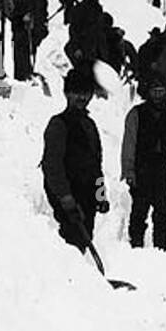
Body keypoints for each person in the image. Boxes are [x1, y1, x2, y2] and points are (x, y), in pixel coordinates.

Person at [120, 72, 166, 250]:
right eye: (154, 91)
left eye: (161, 91)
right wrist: (128, 171)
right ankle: (135, 247)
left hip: (162, 171)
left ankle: (161, 249)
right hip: (141, 170)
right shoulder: (136, 114)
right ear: (148, 92)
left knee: (162, 213)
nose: (158, 95)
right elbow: (128, 145)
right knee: (139, 211)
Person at [41, 67, 107, 250]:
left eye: (86, 93)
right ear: (67, 94)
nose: (82, 98)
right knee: (71, 239)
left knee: (85, 237)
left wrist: (100, 194)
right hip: (67, 191)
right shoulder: (58, 125)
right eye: (76, 93)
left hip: (87, 191)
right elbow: (52, 166)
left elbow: (96, 164)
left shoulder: (90, 125)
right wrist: (66, 198)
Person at [9, 0, 50, 81]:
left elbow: (43, 14)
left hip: (35, 35)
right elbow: (12, 14)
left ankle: (31, 79)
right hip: (22, 35)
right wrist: (23, 17)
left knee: (34, 61)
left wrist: (43, 26)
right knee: (22, 63)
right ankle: (22, 82)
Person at [65, 0, 109, 68]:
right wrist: (76, 47)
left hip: (97, 48)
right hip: (83, 47)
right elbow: (74, 29)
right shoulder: (81, 8)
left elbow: (101, 28)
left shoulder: (98, 9)